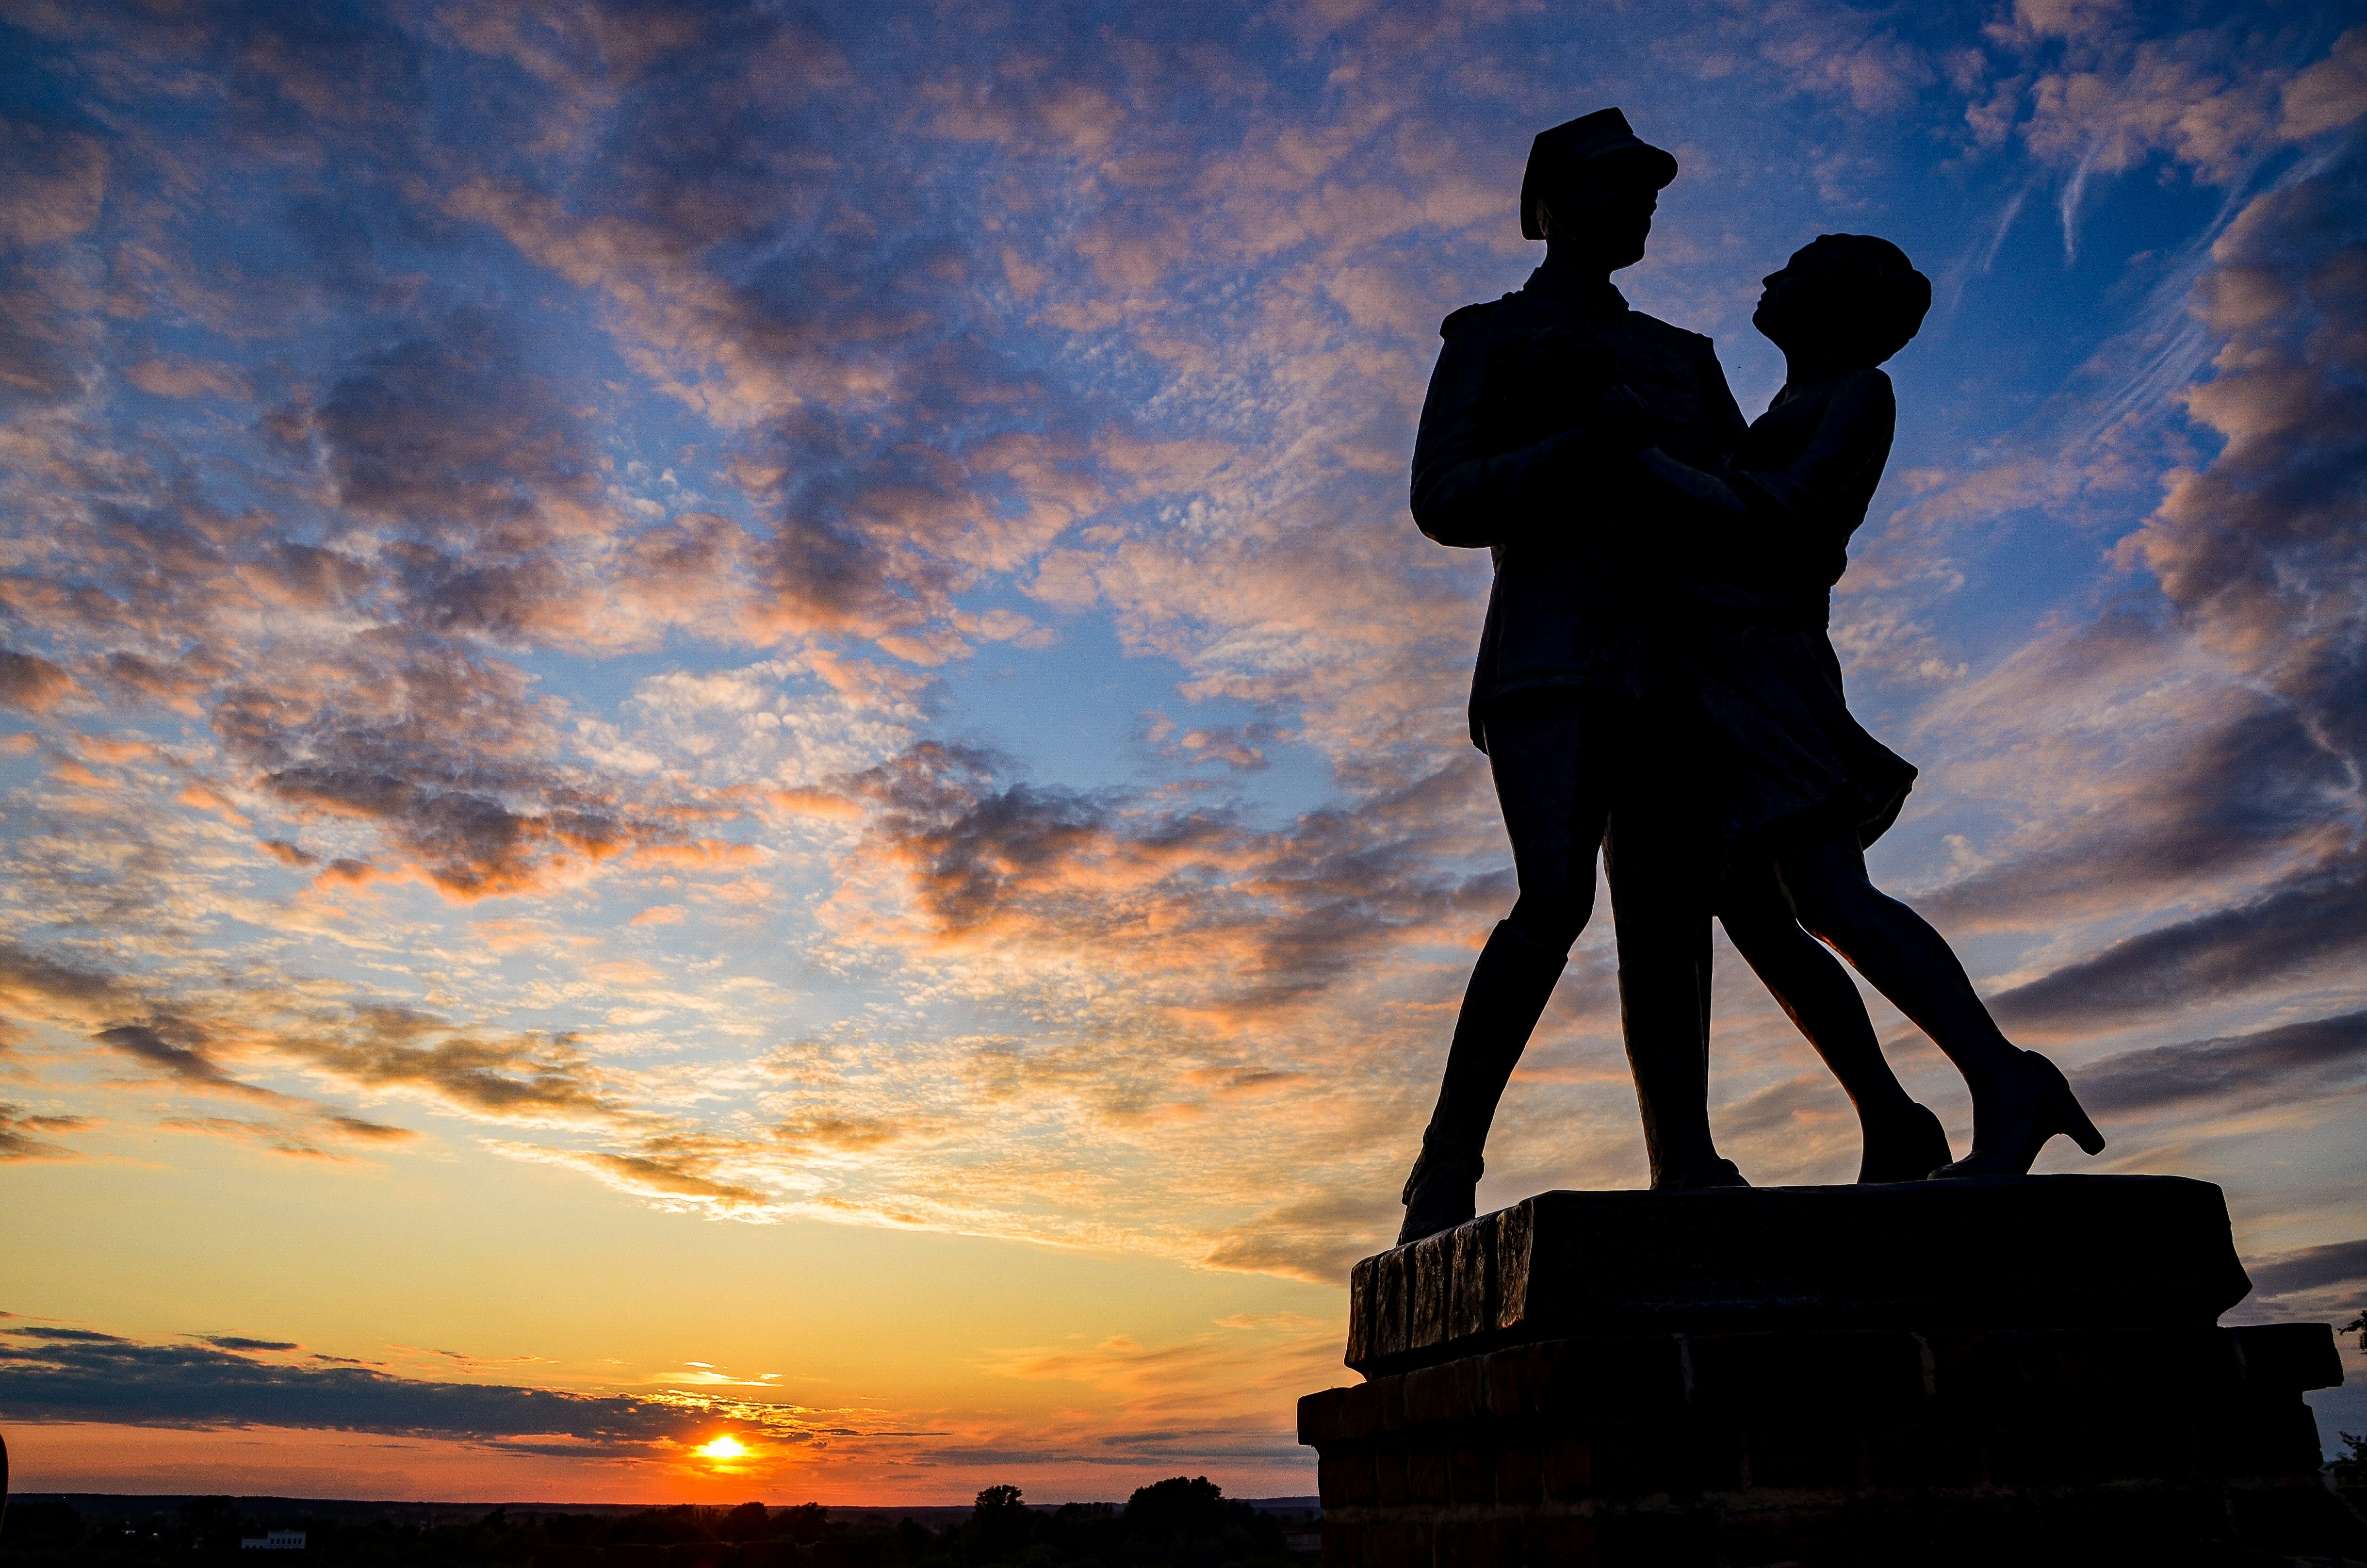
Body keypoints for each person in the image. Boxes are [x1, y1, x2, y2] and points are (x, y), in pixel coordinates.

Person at [1627, 233, 2106, 1180]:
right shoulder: (1783, 403)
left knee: (1828, 893)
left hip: (1771, 665)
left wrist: (1640, 459)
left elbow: (1785, 517)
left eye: (1796, 269)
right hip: (1719, 672)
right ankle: (1891, 1118)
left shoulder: (1857, 393)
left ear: (1837, 304)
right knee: (1753, 913)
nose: (1770, 275)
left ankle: (2007, 1076)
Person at [1397, 109, 1750, 1246]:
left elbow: (1743, 511)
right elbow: (1444, 497)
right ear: (1547, 205)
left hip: (1675, 662)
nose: (1635, 206)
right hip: (1548, 652)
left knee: (1668, 914)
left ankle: (1684, 1155)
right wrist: (1577, 448)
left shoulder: (1685, 358)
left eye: (1644, 191)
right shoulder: (1491, 337)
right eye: (1610, 186)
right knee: (1553, 896)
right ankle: (1447, 1159)